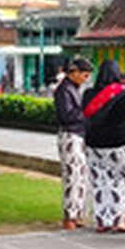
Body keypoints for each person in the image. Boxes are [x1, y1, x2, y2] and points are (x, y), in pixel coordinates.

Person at [81, 59, 125, 233]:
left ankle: (102, 221)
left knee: (99, 182)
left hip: (94, 144)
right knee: (123, 180)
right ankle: (118, 219)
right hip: (118, 142)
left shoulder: (88, 93)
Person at [53, 57, 93, 230]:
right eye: (84, 75)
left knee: (81, 176)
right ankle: (69, 216)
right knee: (72, 176)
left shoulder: (74, 89)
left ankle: (77, 213)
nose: (86, 79)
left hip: (79, 135)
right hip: (70, 135)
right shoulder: (64, 90)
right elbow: (66, 116)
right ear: (74, 72)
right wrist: (86, 113)